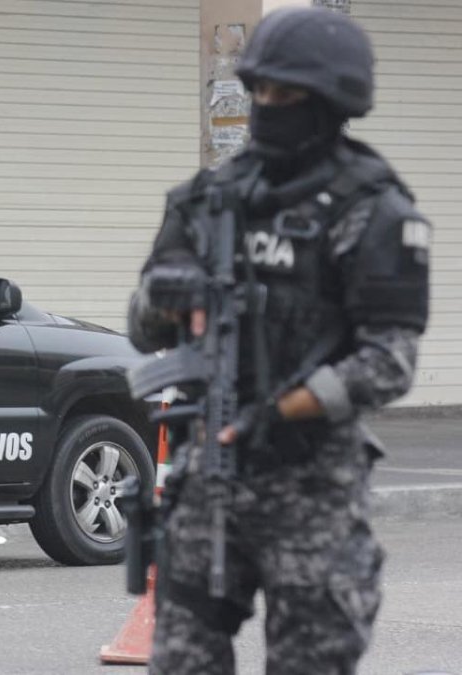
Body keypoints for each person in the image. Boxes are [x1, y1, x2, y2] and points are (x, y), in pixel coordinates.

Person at [126, 7, 430, 674]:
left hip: (312, 483)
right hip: (211, 481)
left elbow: (389, 361)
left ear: (329, 103)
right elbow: (141, 327)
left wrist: (287, 408)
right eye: (259, 90)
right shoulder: (208, 200)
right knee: (181, 662)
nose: (268, 106)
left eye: (285, 95)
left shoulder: (372, 211)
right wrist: (165, 293)